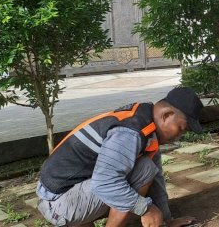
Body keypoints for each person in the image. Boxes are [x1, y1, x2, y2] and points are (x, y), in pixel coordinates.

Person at [36, 87, 204, 226]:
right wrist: (146, 208)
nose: (180, 135)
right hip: (58, 204)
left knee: (147, 168)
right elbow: (104, 183)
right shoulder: (130, 132)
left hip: (72, 193)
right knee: (144, 169)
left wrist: (167, 220)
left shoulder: (145, 124)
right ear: (166, 115)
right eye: (181, 128)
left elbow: (157, 177)